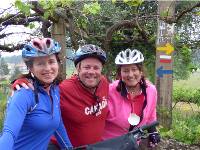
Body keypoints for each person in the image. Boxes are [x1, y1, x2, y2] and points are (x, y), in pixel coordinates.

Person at [11, 44, 109, 149]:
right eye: (87, 67)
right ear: (78, 68)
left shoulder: (104, 82)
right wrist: (25, 81)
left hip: (95, 147)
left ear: (101, 69)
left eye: (96, 68)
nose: (91, 72)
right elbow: (42, 91)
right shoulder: (64, 89)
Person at [0, 38, 72, 150]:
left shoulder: (55, 90)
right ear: (31, 68)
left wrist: (68, 148)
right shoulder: (23, 93)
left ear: (58, 63)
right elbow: (9, 132)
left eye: (51, 61)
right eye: (40, 63)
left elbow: (57, 125)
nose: (48, 68)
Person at [102, 48, 160, 147]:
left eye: (134, 69)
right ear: (120, 73)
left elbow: (151, 115)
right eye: (125, 70)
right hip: (109, 144)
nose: (130, 74)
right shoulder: (109, 91)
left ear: (141, 71)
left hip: (132, 144)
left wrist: (153, 131)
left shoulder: (151, 90)